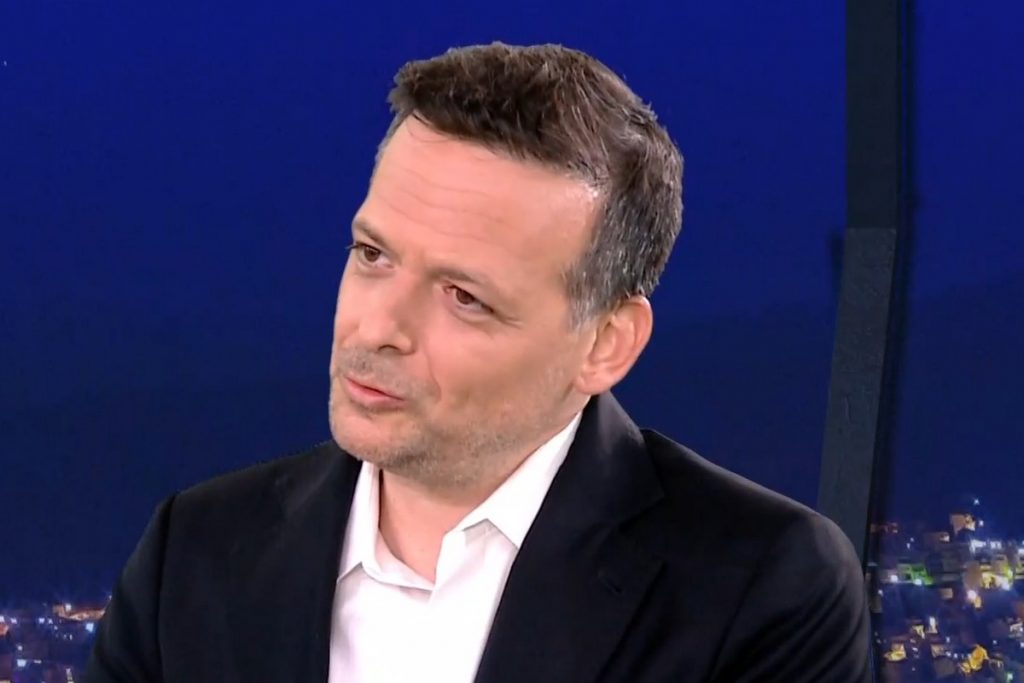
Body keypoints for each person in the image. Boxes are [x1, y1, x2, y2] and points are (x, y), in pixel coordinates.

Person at [84, 42, 871, 682]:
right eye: (372, 255)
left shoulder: (763, 586)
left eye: (463, 296)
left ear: (607, 343)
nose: (378, 326)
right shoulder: (193, 554)